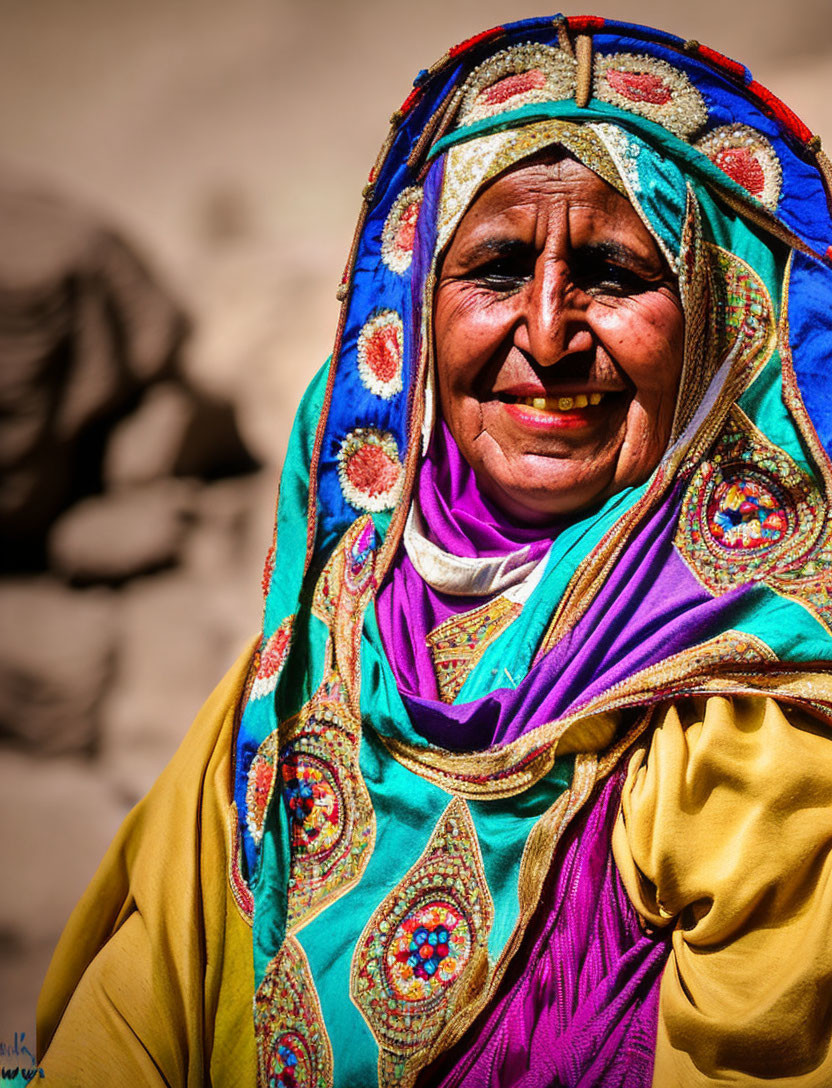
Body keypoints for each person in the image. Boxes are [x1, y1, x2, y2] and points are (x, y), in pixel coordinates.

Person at [35, 14, 832, 1087]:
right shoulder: (315, 645)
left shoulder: (760, 728)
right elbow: (130, 1026)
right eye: (497, 268)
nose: (547, 335)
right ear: (413, 316)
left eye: (611, 270)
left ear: (713, 323)